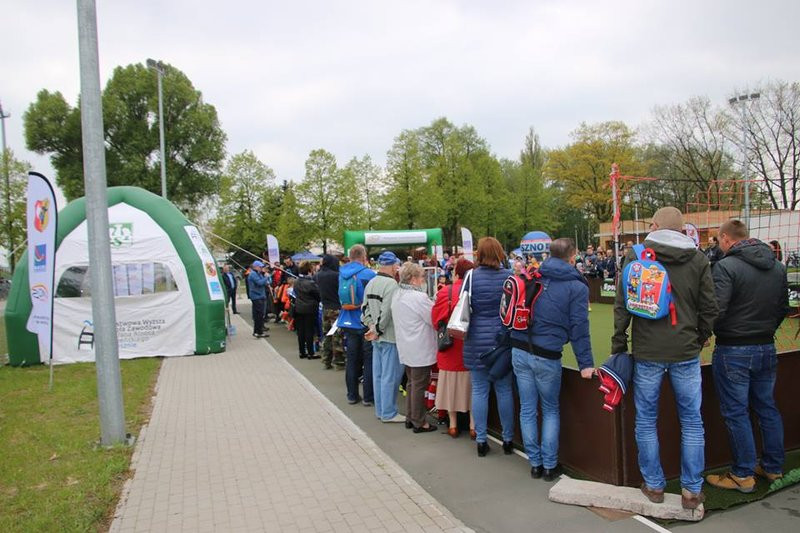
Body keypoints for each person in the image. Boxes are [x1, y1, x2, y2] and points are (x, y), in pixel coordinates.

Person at [612, 206, 718, 510]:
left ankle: (655, 485)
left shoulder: (637, 255)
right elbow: (710, 308)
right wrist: (698, 337)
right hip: (685, 352)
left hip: (647, 352)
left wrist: (619, 343)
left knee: (645, 419)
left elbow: (622, 305)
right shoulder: (698, 258)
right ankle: (691, 491)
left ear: (655, 226)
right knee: (692, 422)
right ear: (683, 230)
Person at [705, 220, 789, 492]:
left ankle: (743, 473)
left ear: (726, 238)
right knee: (766, 407)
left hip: (734, 349)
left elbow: (717, 308)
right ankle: (773, 467)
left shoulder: (726, 266)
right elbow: (782, 309)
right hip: (766, 346)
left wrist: (706, 332)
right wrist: (764, 332)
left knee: (736, 412)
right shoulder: (777, 267)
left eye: (719, 241)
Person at [512, 238, 595, 482]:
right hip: (545, 353)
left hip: (520, 346)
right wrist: (586, 364)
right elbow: (580, 328)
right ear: (573, 256)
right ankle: (548, 465)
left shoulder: (533, 275)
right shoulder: (576, 287)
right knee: (549, 409)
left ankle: (535, 463)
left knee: (528, 409)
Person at [462, 237, 515, 457]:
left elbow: (463, 304)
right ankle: (508, 439)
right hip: (501, 340)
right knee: (504, 390)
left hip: (476, 339)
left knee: (479, 390)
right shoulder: (508, 277)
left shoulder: (471, 276)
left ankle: (481, 440)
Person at [392, 262, 438, 433]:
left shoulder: (398, 294)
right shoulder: (418, 297)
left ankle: (411, 417)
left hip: (407, 344)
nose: (423, 281)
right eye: (421, 278)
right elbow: (432, 318)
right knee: (419, 384)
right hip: (419, 346)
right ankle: (419, 421)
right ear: (413, 279)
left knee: (412, 383)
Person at [431, 258, 475, 438]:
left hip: (450, 347)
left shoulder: (445, 292)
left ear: (456, 272)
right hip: (470, 345)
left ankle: (453, 425)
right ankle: (473, 425)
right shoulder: (475, 291)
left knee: (449, 387)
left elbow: (436, 320)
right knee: (474, 389)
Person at [362, 251, 404, 423]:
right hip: (388, 336)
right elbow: (386, 312)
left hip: (375, 336)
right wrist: (378, 329)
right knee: (390, 375)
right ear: (393, 265)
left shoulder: (371, 283)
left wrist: (371, 327)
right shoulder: (392, 285)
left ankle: (381, 410)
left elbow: (364, 309)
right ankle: (388, 412)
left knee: (378, 375)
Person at [336, 244, 377, 405]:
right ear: (363, 256)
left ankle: (352, 395)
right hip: (364, 321)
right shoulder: (368, 274)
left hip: (347, 320)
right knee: (368, 360)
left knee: (351, 359)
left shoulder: (341, 274)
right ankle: (368, 397)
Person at [315, 254, 345, 369]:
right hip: (336, 309)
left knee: (327, 334)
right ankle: (338, 361)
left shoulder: (319, 275)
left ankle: (326, 359)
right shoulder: (336, 276)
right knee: (337, 335)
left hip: (325, 308)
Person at [293, 261, 321, 359]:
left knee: (301, 331)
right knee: (309, 331)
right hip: (310, 308)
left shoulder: (296, 282)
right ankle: (310, 352)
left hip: (298, 308)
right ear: (309, 270)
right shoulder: (310, 283)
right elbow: (318, 296)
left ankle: (302, 351)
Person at [247, 260, 270, 338]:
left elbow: (264, 282)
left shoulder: (258, 274)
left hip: (260, 296)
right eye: (260, 267)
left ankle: (257, 331)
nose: (261, 268)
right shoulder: (253, 274)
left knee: (259, 315)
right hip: (256, 296)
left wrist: (266, 279)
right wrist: (266, 277)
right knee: (259, 315)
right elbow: (260, 283)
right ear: (256, 267)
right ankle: (258, 332)